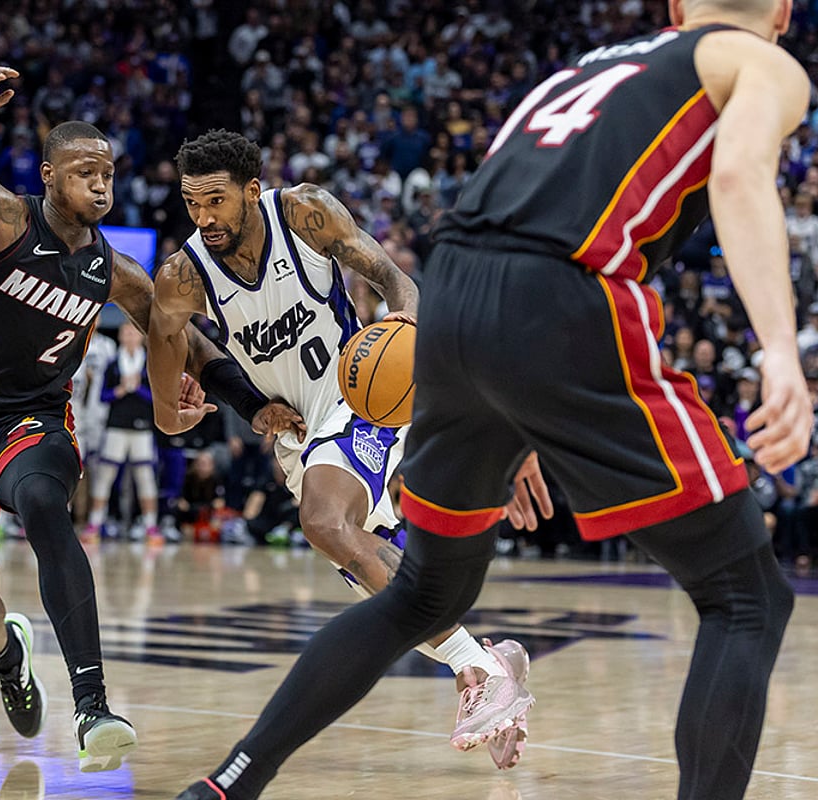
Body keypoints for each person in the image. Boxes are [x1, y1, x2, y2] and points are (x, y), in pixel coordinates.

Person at [173, 3, 809, 799]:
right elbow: (741, 173)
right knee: (745, 597)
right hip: (560, 294)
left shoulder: (591, 67)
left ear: (675, 8)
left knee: (423, 594)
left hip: (454, 297)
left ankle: (231, 780)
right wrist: (780, 351)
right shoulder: (758, 60)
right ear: (783, 12)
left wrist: (513, 407)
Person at [0, 66, 263, 773]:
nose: (101, 185)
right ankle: (8, 659)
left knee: (46, 506)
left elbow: (182, 337)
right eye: (86, 171)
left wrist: (254, 405)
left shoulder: (114, 271)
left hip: (32, 421)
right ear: (52, 174)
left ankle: (93, 705)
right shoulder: (0, 216)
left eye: (110, 174)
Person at [149, 129, 544, 771]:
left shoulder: (305, 212)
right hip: (297, 435)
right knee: (373, 569)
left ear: (252, 190)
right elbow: (171, 348)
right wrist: (208, 406)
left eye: (215, 200)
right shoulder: (183, 275)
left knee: (325, 523)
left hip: (359, 391)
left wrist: (405, 341)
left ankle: (479, 672)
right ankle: (489, 658)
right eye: (192, 203)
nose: (204, 217)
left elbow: (395, 279)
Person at [84, 322, 161, 542]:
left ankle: (150, 526)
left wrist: (137, 389)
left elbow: (156, 398)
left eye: (133, 332)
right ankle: (94, 523)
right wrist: (119, 391)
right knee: (105, 476)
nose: (129, 336)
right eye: (125, 332)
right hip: (116, 426)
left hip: (141, 428)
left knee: (145, 477)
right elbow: (102, 396)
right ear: (120, 336)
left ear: (141, 337)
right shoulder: (112, 364)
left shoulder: (149, 364)